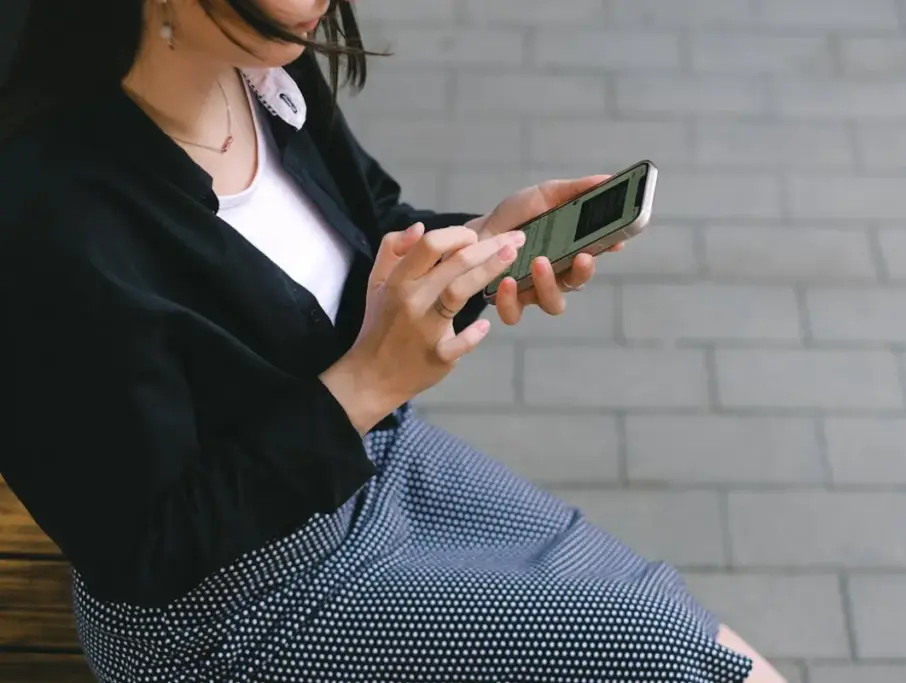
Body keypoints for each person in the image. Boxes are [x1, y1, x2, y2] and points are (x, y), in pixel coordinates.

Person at [0, 1, 787, 681]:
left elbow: (368, 220)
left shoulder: (263, 66)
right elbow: (146, 548)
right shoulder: (50, 226)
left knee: (681, 627)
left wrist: (482, 239)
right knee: (662, 646)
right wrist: (367, 385)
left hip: (366, 458)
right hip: (230, 613)